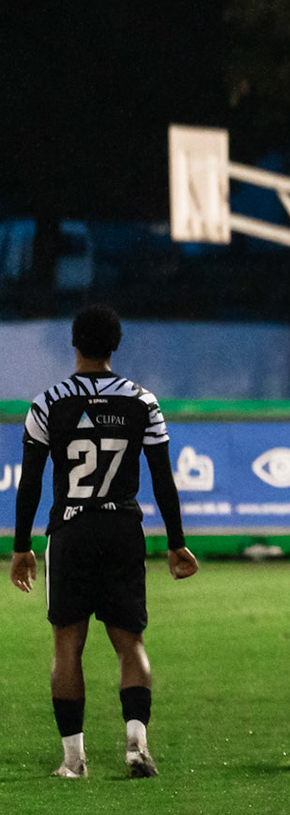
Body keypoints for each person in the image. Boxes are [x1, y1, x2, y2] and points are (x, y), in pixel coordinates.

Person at [9, 305, 197, 779]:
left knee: (67, 646)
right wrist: (176, 541)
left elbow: (30, 483)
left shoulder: (48, 403)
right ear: (115, 345)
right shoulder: (142, 401)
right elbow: (163, 478)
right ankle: (137, 747)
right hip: (122, 529)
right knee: (130, 643)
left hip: (71, 531)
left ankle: (74, 761)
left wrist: (21, 546)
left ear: (74, 344)